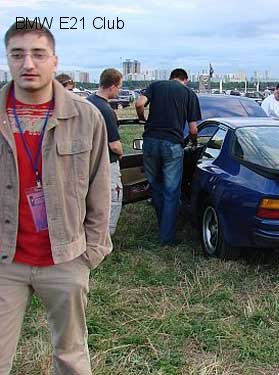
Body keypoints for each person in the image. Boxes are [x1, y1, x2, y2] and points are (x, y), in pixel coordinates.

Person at [0, 21, 111, 374]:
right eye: (17, 54)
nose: (28, 64)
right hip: (5, 260)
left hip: (65, 257)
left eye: (38, 54)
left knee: (71, 354)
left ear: (54, 60)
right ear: (8, 59)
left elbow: (100, 188)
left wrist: (91, 251)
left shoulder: (86, 116)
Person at [135, 68, 201, 246]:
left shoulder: (155, 85)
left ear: (171, 77)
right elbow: (193, 129)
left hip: (149, 142)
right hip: (172, 145)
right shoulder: (189, 93)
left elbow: (139, 104)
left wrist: (144, 120)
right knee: (172, 191)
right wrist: (193, 143)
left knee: (155, 186)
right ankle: (167, 237)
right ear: (185, 79)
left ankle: (162, 224)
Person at [87, 68, 124, 235]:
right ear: (112, 86)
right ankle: (105, 237)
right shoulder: (106, 111)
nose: (120, 90)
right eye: (120, 86)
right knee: (113, 198)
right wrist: (121, 154)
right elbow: (114, 145)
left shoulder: (88, 102)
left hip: (87, 161)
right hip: (106, 163)